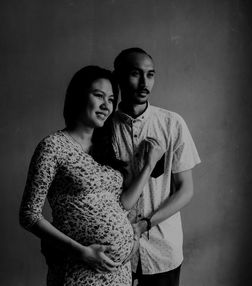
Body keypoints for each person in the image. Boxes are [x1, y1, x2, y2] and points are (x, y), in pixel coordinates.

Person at [19, 65, 164, 285]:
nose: (106, 105)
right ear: (78, 96)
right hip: (79, 270)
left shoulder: (105, 149)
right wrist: (81, 252)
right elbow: (29, 215)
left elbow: (122, 204)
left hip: (118, 273)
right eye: (99, 96)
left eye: (111, 99)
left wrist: (149, 165)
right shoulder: (53, 146)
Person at [111, 48, 201, 286]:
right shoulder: (103, 129)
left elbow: (185, 190)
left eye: (150, 75)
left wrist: (145, 224)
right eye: (135, 74)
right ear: (118, 77)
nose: (144, 82)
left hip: (163, 252)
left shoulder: (172, 124)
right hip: (114, 251)